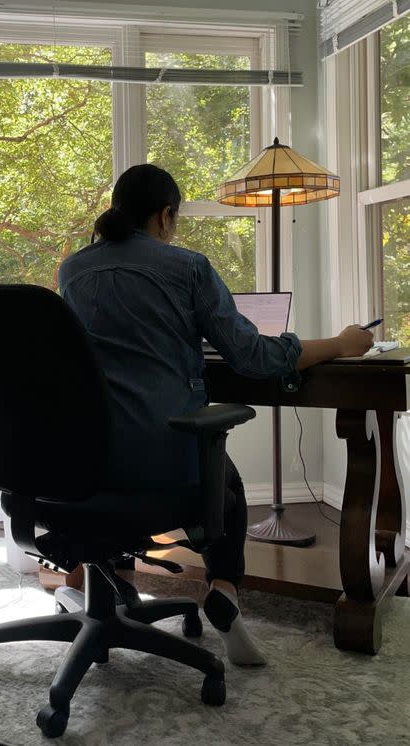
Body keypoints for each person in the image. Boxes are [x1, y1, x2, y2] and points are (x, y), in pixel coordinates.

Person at [58, 163, 373, 666]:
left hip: (81, 461)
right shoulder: (187, 268)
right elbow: (253, 358)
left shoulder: (71, 271)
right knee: (224, 484)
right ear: (165, 216)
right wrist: (339, 343)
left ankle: (112, 578)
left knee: (139, 459)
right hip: (159, 461)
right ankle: (223, 587)